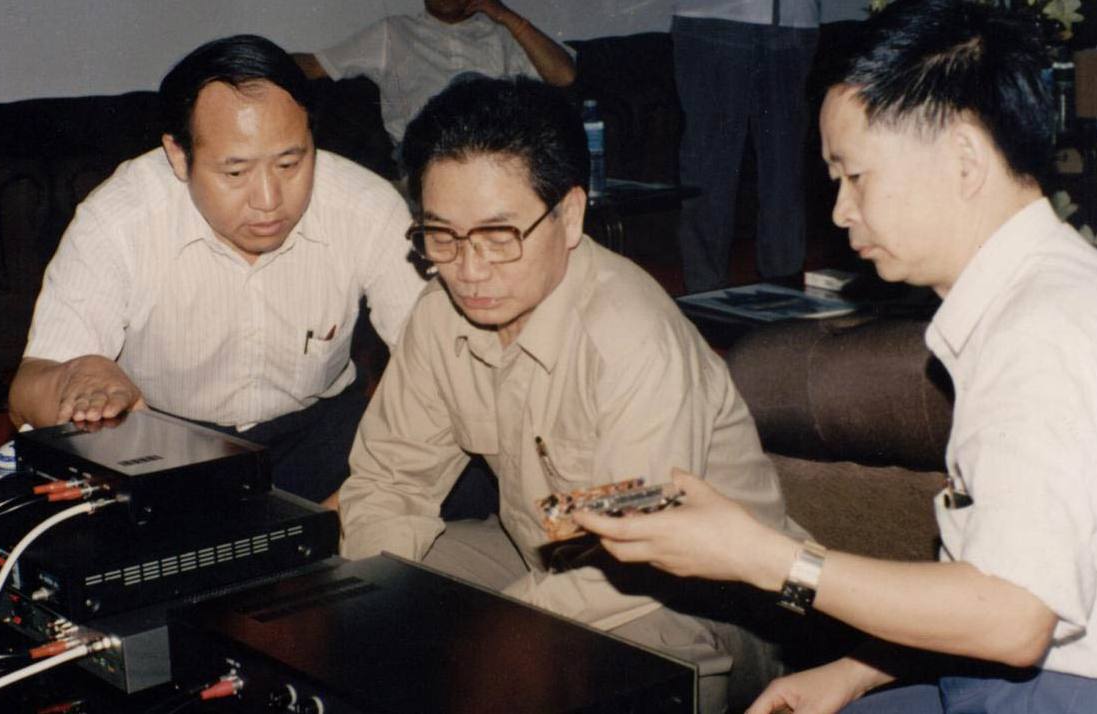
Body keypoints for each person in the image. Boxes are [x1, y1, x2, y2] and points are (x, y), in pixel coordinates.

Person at [577, 1, 1097, 711]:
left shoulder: (1039, 333)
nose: (841, 211)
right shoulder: (1044, 292)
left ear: (965, 160)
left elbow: (1012, 617)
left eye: (855, 176)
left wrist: (761, 557)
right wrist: (856, 670)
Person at [337, 76, 804, 712]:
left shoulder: (630, 338)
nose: (469, 270)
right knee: (388, 589)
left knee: (550, 672)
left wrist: (481, 635)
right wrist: (372, 610)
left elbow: (638, 559)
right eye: (441, 236)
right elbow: (389, 480)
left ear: (571, 215)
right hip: (545, 560)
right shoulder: (440, 316)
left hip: (694, 598)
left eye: (499, 235)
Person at [8, 35, 425, 506]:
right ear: (178, 155)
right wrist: (77, 376)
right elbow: (27, 392)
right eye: (235, 173)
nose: (268, 200)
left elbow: (438, 364)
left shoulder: (364, 205)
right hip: (173, 442)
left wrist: (357, 499)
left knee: (465, 471)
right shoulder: (119, 219)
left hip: (320, 433)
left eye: (290, 163)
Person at [672, 0, 820, 292]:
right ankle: (705, 296)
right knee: (710, 168)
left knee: (785, 171)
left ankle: (784, 295)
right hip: (715, 19)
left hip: (794, 21)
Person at [291, 0, 575, 146]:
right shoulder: (394, 32)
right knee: (467, 86)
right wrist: (262, 60)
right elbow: (314, 65)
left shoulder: (501, 33)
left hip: (495, 148)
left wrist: (505, 16)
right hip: (427, 152)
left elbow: (564, 75)